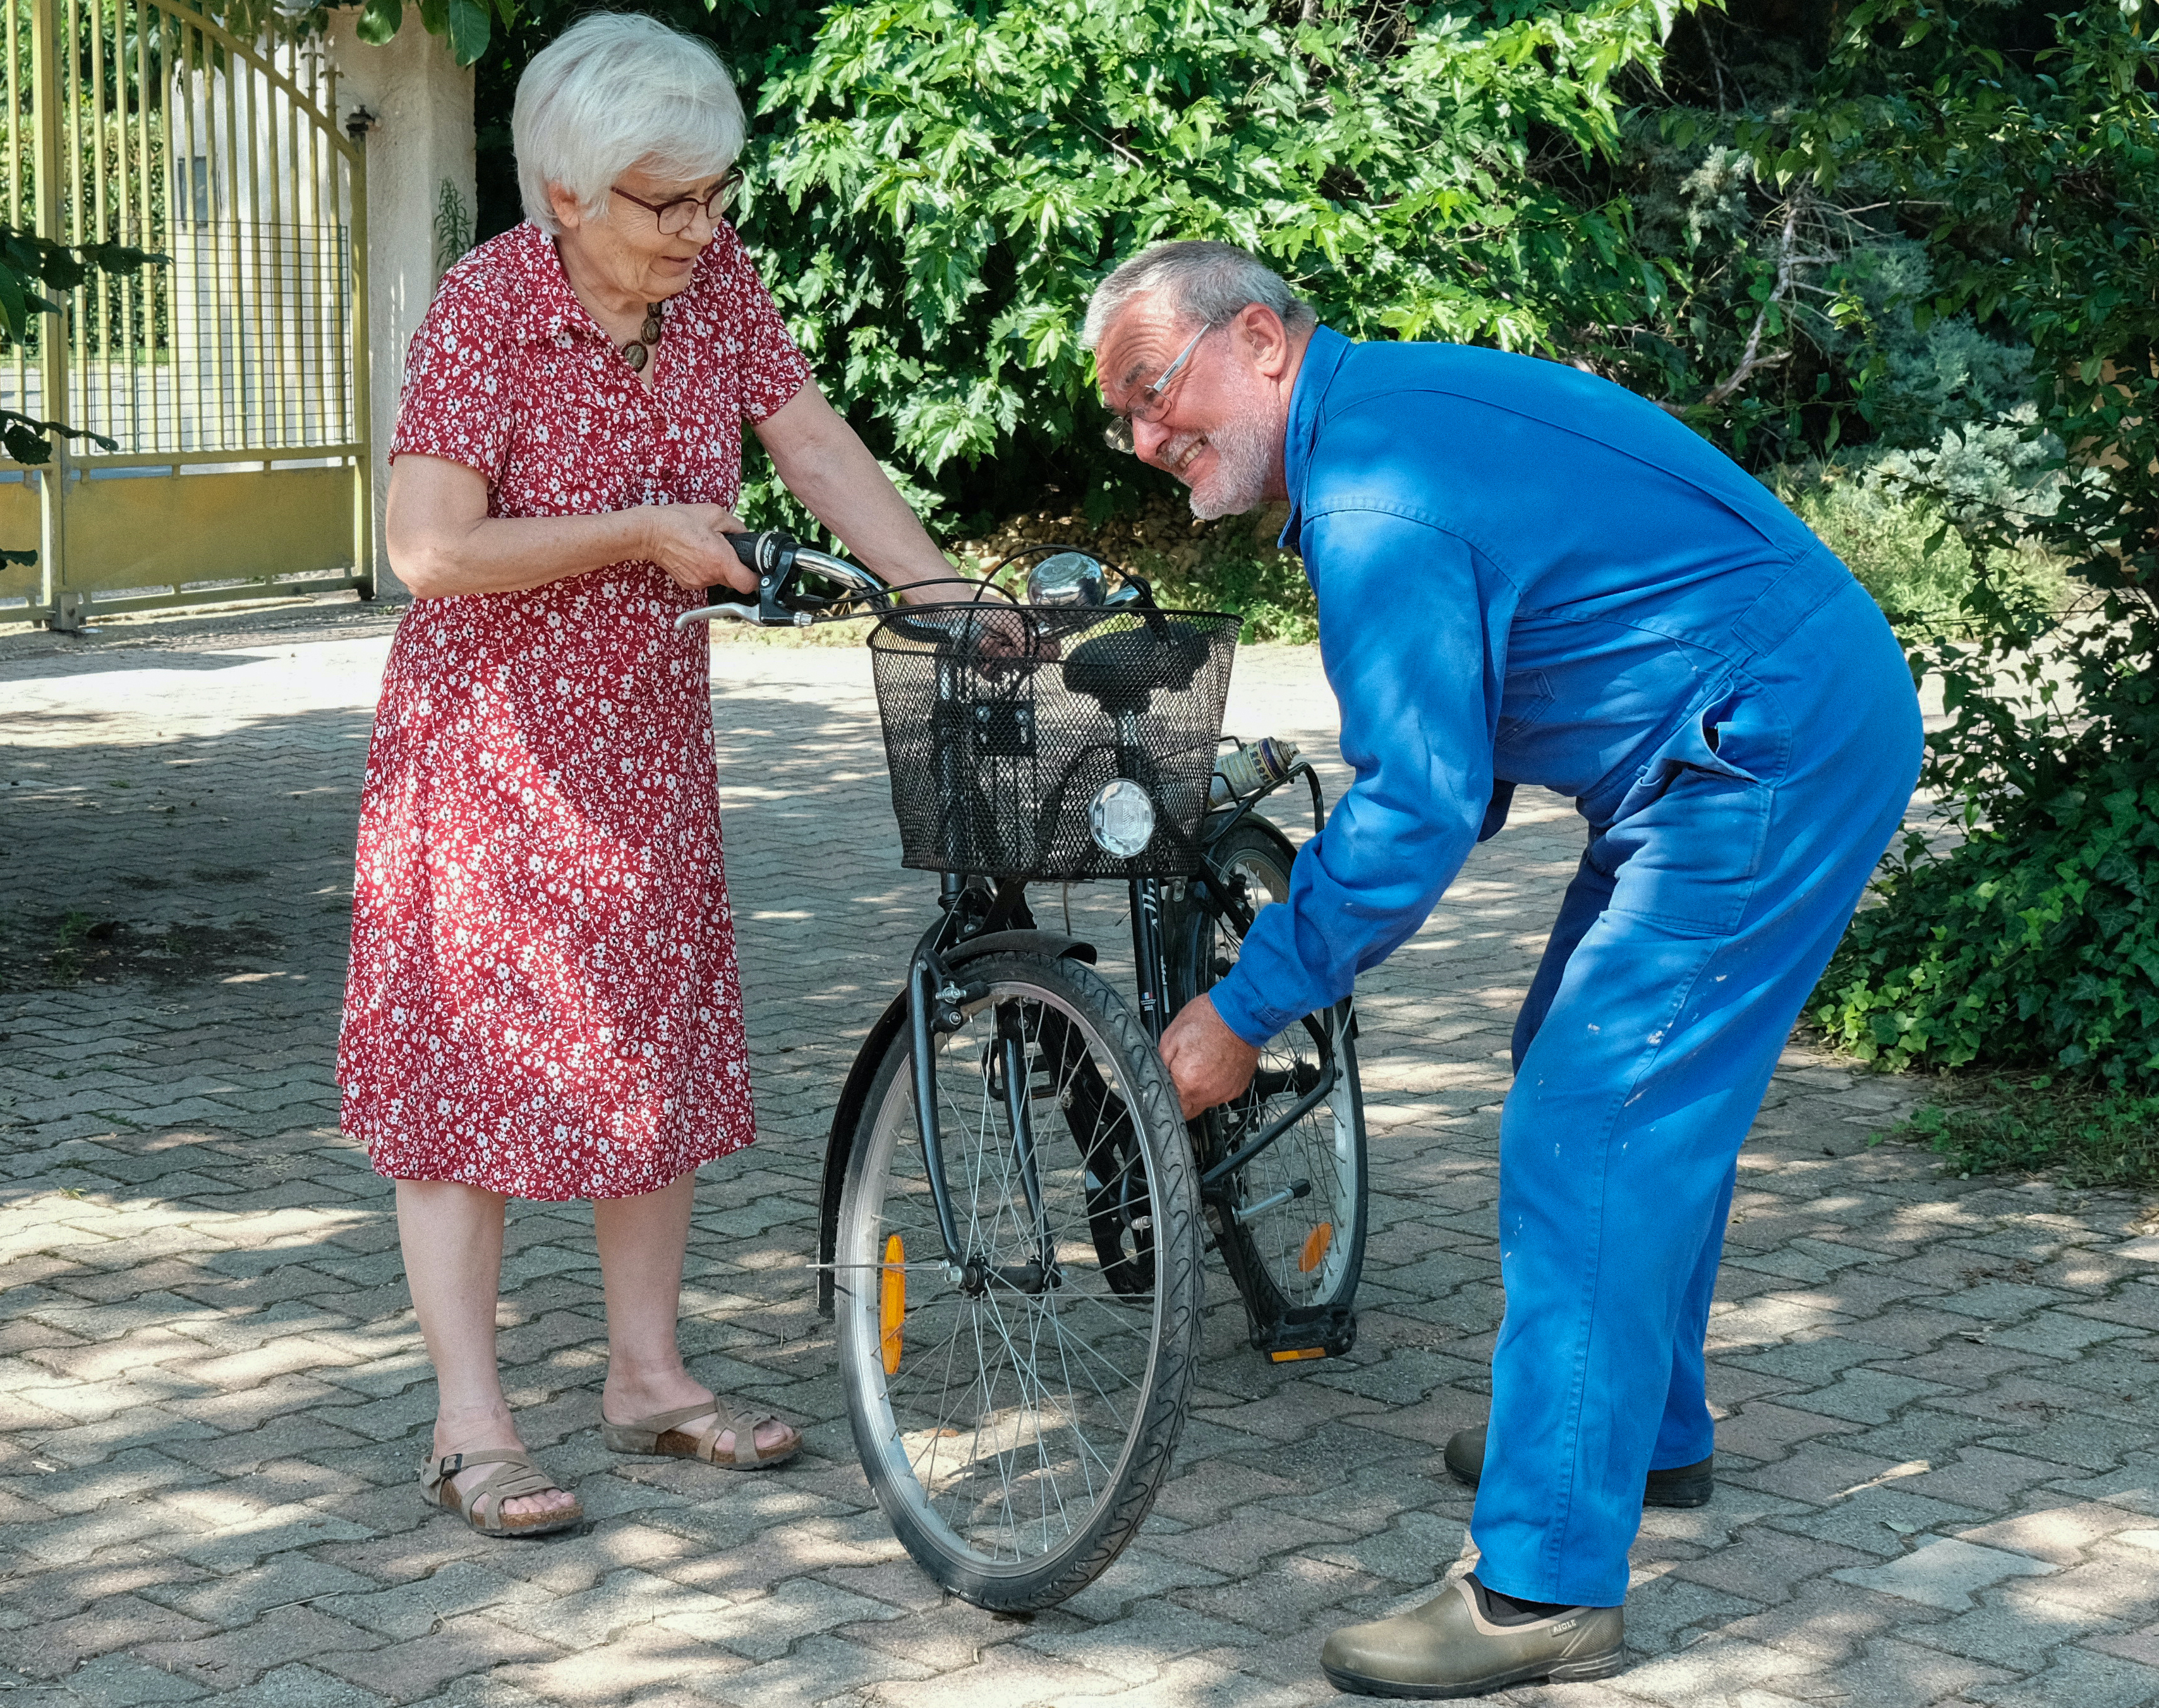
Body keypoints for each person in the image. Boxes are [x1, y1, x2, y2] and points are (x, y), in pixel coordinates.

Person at [1084, 241, 1923, 1696]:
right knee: (1580, 1065)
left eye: (1158, 394)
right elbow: (1444, 774)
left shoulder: (1375, 495)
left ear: (1263, 340)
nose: (1150, 442)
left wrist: (1244, 1003)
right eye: (1127, 420)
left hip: (1759, 744)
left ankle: (1539, 1583)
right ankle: (1627, 1427)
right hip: (1735, 727)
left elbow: (1415, 808)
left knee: (1592, 1115)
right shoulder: (1379, 426)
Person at [337, 13, 957, 1538]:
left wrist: (953, 600)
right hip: (489, 754)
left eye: (713, 194)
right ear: (565, 194)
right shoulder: (487, 313)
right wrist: (637, 529)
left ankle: (645, 1376)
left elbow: (809, 442)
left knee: (651, 1058)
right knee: (464, 1082)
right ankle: (469, 1423)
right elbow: (426, 550)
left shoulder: (717, 287)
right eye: (666, 203)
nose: (703, 228)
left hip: (647, 749)